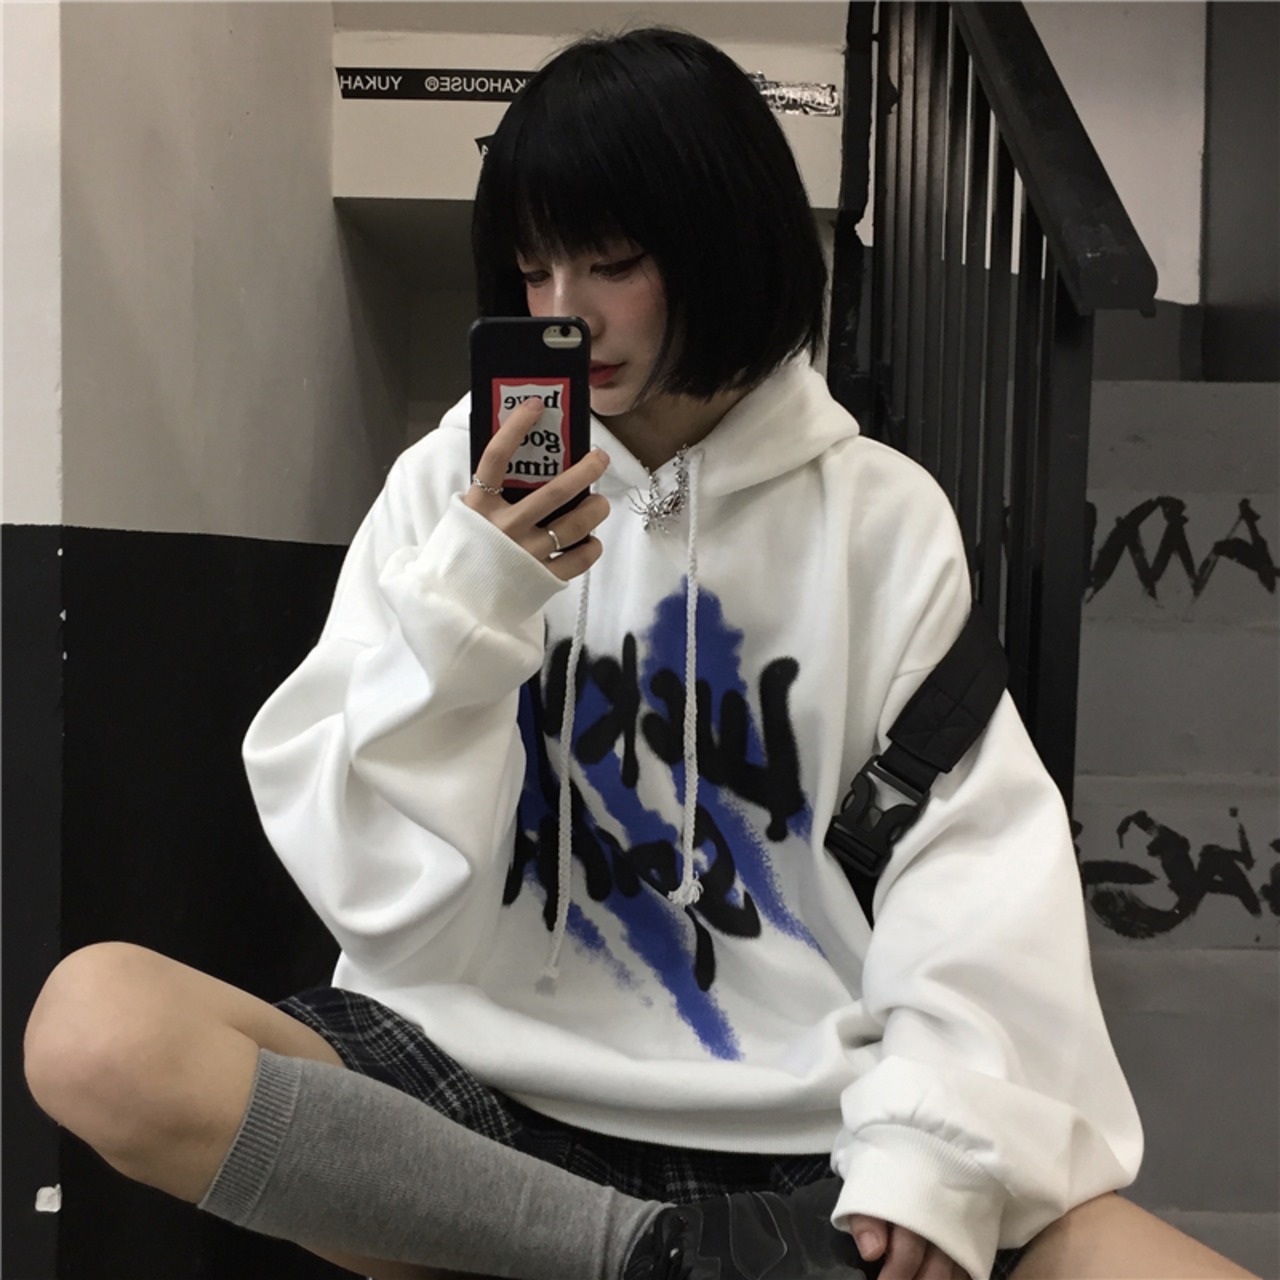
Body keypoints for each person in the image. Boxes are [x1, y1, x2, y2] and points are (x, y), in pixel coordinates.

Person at [23, 26, 1260, 1280]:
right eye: (534, 268)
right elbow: (366, 883)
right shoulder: (447, 486)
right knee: (96, 1026)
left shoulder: (879, 519)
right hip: (476, 1103)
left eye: (613, 264)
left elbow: (968, 863)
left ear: (722, 246)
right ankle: (641, 1257)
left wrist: (930, 1152)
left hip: (797, 1130)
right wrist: (474, 596)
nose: (565, 311)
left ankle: (616, 1258)